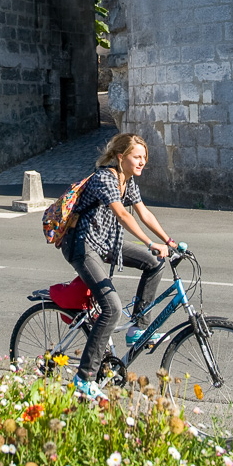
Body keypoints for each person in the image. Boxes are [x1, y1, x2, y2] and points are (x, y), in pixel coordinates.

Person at [61, 132, 177, 400]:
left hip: (105, 244)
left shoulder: (129, 181)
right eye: (137, 157)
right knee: (111, 308)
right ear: (120, 156)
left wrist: (168, 241)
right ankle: (84, 377)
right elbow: (123, 214)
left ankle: (138, 327)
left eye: (145, 158)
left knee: (155, 263)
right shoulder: (105, 177)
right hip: (82, 245)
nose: (142, 162)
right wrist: (150, 242)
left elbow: (143, 212)